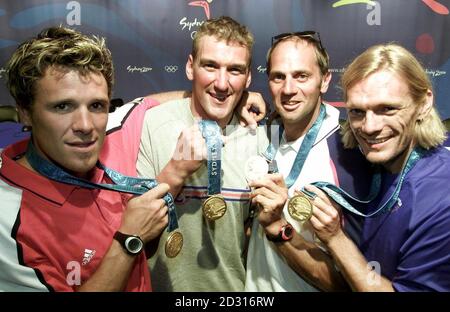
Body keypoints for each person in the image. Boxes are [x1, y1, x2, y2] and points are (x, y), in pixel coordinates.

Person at [0, 26, 169, 291]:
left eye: (96, 105)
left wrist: (241, 98)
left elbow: (145, 105)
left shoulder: (104, 140)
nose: (86, 125)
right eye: (62, 106)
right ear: (25, 113)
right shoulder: (7, 218)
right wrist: (129, 240)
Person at [136, 16, 268, 291]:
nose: (221, 83)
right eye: (210, 66)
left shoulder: (260, 137)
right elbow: (133, 233)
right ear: (190, 66)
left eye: (234, 70)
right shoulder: (150, 125)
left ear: (248, 78)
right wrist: (175, 171)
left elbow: (254, 237)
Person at [307, 43, 450, 291]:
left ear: (424, 104)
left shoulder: (441, 199)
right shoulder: (374, 156)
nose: (370, 127)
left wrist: (335, 238)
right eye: (357, 112)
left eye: (387, 109)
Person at [244, 32, 371, 291]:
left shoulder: (348, 152)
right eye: (278, 77)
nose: (289, 90)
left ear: (324, 81)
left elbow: (348, 283)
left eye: (302, 76)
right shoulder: (265, 133)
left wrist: (277, 226)